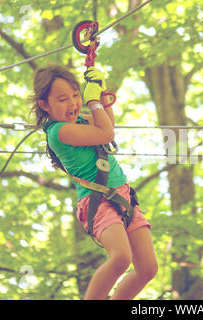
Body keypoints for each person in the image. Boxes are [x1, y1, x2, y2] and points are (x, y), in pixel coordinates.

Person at [29, 65, 157, 300]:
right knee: (121, 257)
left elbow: (107, 125)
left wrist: (101, 95)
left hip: (123, 196)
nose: (73, 104)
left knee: (148, 268)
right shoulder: (59, 132)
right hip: (97, 201)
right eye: (62, 99)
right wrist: (94, 103)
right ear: (44, 105)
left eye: (76, 95)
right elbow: (107, 135)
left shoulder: (79, 119)